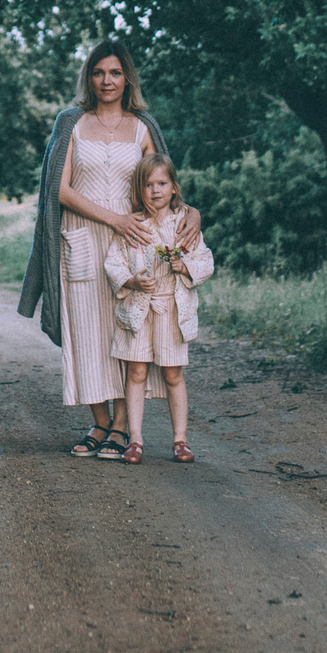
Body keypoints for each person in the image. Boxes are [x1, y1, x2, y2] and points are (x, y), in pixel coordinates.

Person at [17, 40, 170, 459]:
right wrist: (112, 217)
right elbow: (58, 189)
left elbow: (162, 187)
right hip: (81, 239)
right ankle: (100, 422)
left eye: (115, 73)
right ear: (89, 77)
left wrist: (187, 216)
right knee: (84, 334)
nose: (107, 80)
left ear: (127, 79)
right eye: (99, 72)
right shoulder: (72, 122)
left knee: (126, 331)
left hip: (130, 244)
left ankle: (123, 425)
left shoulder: (142, 128)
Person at [104, 152, 213, 463]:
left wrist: (185, 265)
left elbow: (206, 260)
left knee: (173, 374)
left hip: (171, 310)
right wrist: (132, 282)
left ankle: (180, 439)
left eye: (162, 183)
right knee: (136, 371)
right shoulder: (134, 225)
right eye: (148, 185)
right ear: (140, 191)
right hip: (140, 310)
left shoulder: (185, 225)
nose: (155, 190)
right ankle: (135, 439)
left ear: (174, 187)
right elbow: (113, 262)